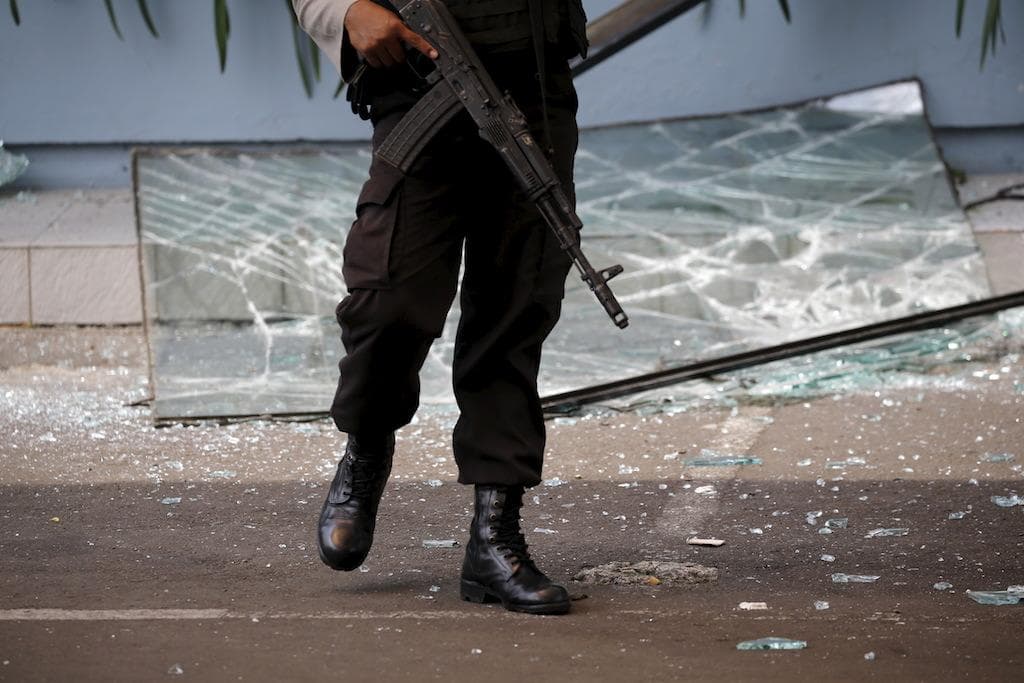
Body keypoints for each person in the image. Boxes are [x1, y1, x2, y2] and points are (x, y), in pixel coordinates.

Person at [291, 0, 588, 615]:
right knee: (389, 299)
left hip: (531, 76)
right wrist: (342, 8)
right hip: (415, 73)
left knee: (515, 312)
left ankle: (494, 540)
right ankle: (368, 448)